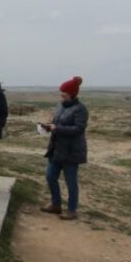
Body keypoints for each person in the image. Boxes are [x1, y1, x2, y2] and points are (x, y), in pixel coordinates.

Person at [40, 76, 89, 220]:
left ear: (72, 94)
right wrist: (49, 127)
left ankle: (72, 210)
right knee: (50, 177)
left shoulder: (80, 109)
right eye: (61, 93)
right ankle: (56, 205)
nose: (61, 95)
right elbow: (57, 124)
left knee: (71, 181)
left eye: (64, 94)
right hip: (56, 149)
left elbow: (78, 129)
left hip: (71, 151)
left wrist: (57, 128)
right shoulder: (60, 106)